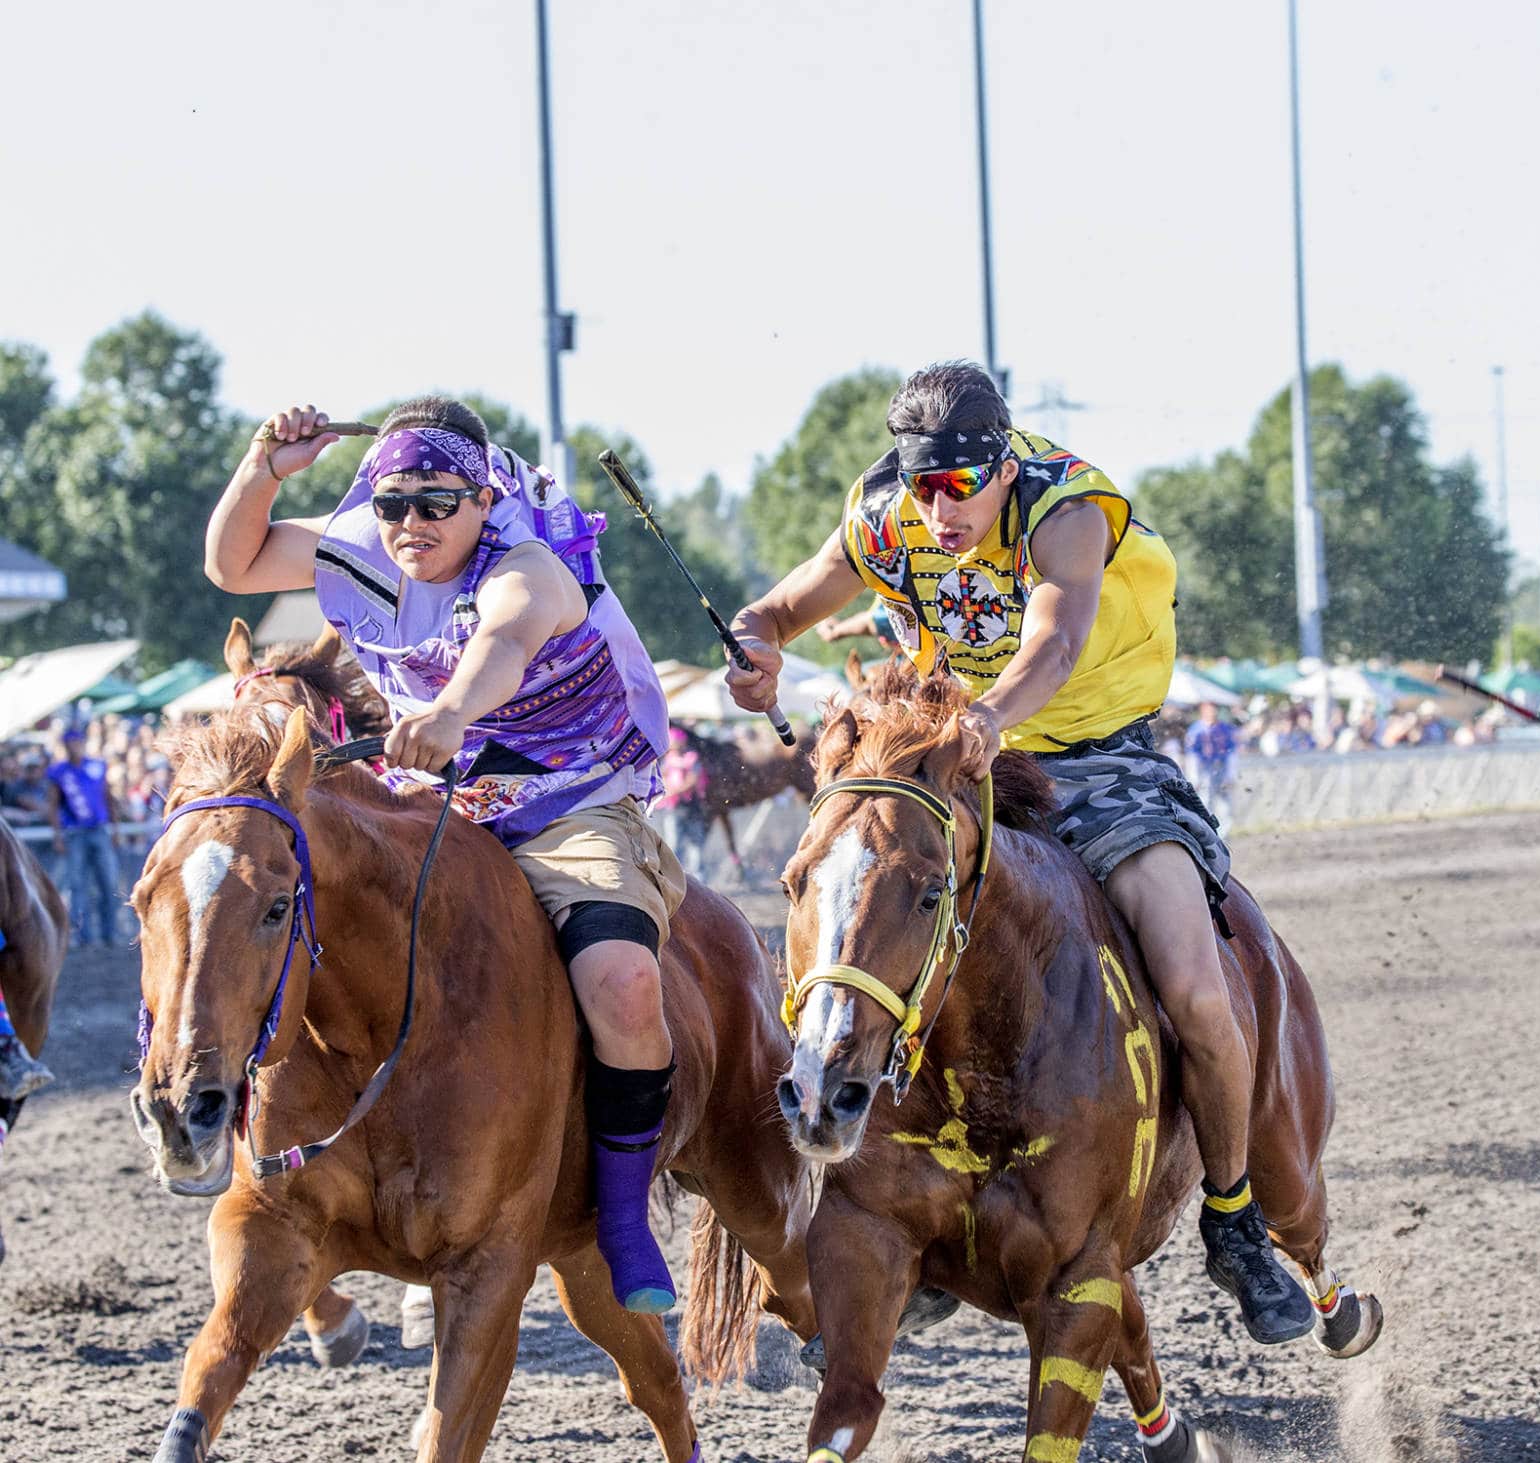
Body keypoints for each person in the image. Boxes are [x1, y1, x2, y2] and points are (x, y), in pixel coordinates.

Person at [724, 361, 1317, 1345]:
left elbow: (1054, 639)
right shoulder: (884, 513)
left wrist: (990, 718)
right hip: (959, 765)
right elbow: (777, 610)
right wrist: (753, 647)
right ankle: (901, 1195)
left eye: (960, 487)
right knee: (878, 936)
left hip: (1098, 762)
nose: (939, 510)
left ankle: (1233, 1215)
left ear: (1003, 468)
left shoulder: (1066, 510)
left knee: (1194, 986)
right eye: (924, 487)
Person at [204, 398, 686, 1314]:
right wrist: (261, 466)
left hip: (572, 798)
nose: (412, 523)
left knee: (623, 982)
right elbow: (232, 565)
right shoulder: (359, 547)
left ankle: (624, 1219)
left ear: (483, 498)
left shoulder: (530, 565)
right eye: (394, 504)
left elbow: (503, 640)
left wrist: (454, 710)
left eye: (437, 502)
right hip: (439, 805)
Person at [46, 726, 122, 948]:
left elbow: (108, 798)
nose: (75, 747)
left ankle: (110, 933)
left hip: (99, 830)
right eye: (71, 743)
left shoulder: (97, 766)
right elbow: (53, 804)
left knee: (108, 883)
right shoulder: (59, 772)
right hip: (75, 833)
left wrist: (115, 829)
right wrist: (58, 836)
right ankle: (83, 935)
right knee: (78, 886)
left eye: (77, 742)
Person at [655, 725, 711, 880]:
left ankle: (699, 880)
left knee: (695, 846)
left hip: (692, 807)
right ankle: (674, 880)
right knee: (674, 846)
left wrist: (674, 791)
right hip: (674, 808)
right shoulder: (668, 760)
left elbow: (693, 780)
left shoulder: (692, 758)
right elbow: (661, 777)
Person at [1184, 702, 1240, 839]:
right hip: (1204, 768)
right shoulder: (1195, 729)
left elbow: (1231, 752)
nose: (1212, 712)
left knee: (1225, 801)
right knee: (1205, 800)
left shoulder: (1224, 728)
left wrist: (1231, 774)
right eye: (1208, 709)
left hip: (1221, 767)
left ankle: (1223, 834)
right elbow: (1192, 755)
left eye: (1214, 709)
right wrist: (1193, 776)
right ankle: (1207, 834)